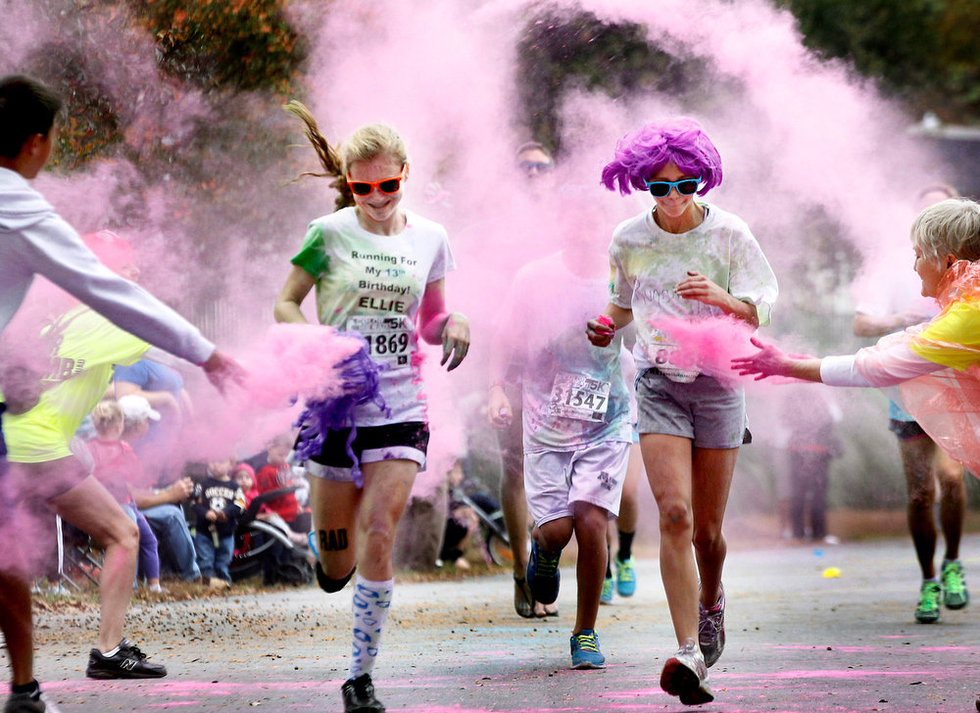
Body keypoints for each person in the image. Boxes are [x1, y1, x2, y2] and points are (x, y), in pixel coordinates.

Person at [0, 74, 241, 713]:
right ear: (34, 142)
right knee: (119, 534)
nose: (137, 277)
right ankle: (105, 650)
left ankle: (27, 687)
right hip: (34, 443)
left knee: (11, 559)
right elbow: (139, 320)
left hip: (29, 437)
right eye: (129, 269)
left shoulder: (43, 304)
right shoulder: (100, 312)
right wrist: (214, 357)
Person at [273, 103, 469, 713]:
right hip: (336, 406)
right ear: (350, 184)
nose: (377, 198)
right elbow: (285, 305)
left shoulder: (431, 238)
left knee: (380, 531)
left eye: (388, 185)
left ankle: (359, 677)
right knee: (338, 563)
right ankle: (329, 557)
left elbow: (433, 319)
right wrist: (316, 344)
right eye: (363, 188)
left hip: (401, 403)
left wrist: (454, 322)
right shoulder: (327, 233)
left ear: (404, 174)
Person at [587, 118, 778, 704]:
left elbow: (761, 305)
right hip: (657, 381)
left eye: (685, 184)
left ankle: (712, 599)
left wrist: (723, 299)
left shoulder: (730, 235)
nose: (673, 198)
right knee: (674, 515)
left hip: (720, 383)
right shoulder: (628, 240)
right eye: (659, 187)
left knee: (710, 533)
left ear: (704, 180)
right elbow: (622, 306)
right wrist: (605, 326)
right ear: (642, 185)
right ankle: (690, 651)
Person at [733, 198, 980, 603]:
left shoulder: (968, 314)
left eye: (919, 256)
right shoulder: (966, 303)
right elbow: (892, 346)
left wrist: (788, 366)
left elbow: (878, 367)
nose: (913, 265)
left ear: (949, 261)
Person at [489, 185, 633, 669]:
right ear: (562, 225)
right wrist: (495, 390)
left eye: (595, 221)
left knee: (592, 520)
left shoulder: (624, 275)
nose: (585, 230)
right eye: (576, 220)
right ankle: (543, 549)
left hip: (607, 418)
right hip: (547, 423)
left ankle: (585, 633)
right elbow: (505, 337)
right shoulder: (536, 278)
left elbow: (654, 325)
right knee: (558, 529)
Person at [851, 184, 969, 623]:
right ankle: (928, 581)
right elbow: (861, 322)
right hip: (907, 390)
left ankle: (953, 564)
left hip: (954, 389)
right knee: (921, 493)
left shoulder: (969, 270)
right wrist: (902, 321)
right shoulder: (902, 268)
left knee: (951, 477)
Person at [488, 141, 560, 619]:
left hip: (563, 357)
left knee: (554, 466)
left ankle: (542, 563)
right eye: (524, 166)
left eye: (542, 166)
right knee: (515, 465)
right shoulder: (498, 223)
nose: (533, 173)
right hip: (513, 352)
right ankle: (520, 575)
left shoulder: (562, 220)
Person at [118, 394, 201, 583]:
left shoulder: (126, 447)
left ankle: (170, 572)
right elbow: (131, 497)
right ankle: (191, 576)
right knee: (172, 515)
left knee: (172, 511)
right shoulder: (121, 449)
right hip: (120, 511)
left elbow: (134, 491)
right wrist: (170, 494)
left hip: (122, 508)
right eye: (147, 421)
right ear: (139, 424)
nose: (149, 426)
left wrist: (168, 492)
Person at [87, 399, 165, 593]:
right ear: (120, 425)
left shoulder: (90, 448)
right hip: (122, 505)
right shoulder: (123, 449)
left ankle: (148, 584)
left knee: (136, 541)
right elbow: (136, 475)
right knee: (136, 541)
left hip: (102, 506)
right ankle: (136, 585)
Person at [779, 386, 843, 543]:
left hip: (796, 450)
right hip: (819, 451)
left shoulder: (790, 398)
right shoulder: (822, 398)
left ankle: (798, 533)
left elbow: (784, 422)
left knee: (797, 493)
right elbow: (834, 419)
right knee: (818, 494)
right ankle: (819, 533)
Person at [190, 458, 246, 588]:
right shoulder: (203, 484)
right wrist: (205, 513)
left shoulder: (234, 486)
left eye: (220, 461)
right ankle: (207, 584)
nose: (215, 465)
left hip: (226, 532)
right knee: (205, 560)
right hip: (205, 531)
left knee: (223, 561)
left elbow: (241, 504)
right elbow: (193, 503)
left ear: (230, 464)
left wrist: (227, 512)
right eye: (213, 461)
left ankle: (224, 583)